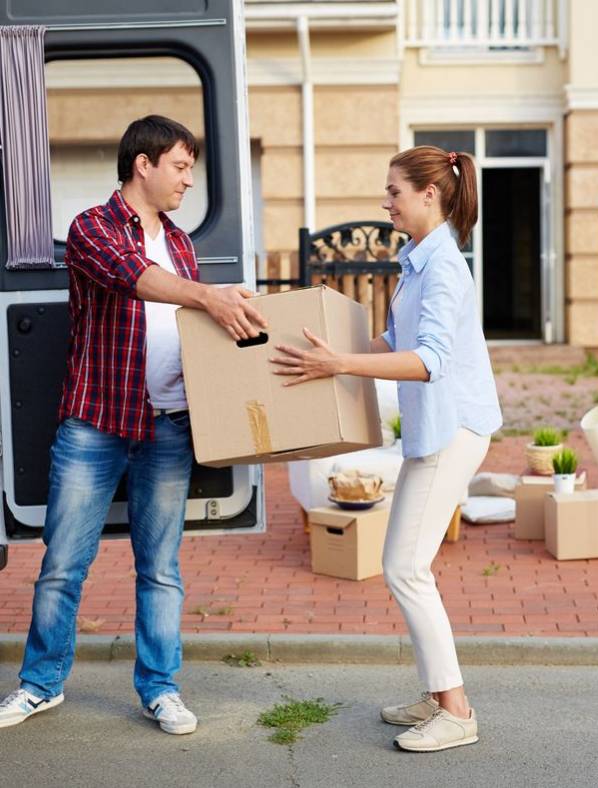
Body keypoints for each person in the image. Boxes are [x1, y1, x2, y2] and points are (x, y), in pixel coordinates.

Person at [0, 115, 266, 735]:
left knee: (162, 568)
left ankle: (160, 689)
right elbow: (133, 279)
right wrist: (210, 296)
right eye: (179, 166)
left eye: (191, 169)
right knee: (64, 562)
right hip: (96, 423)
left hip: (168, 425)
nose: (188, 181)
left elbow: (191, 320)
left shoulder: (179, 241)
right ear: (142, 164)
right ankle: (40, 685)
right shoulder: (91, 226)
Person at [269, 145, 501, 752]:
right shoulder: (419, 261)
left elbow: (428, 361)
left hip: (456, 431)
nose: (385, 201)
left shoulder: (444, 266)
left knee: (403, 566)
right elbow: (391, 342)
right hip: (437, 430)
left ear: (430, 194)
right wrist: (327, 346)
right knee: (406, 565)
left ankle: (456, 711)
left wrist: (339, 362)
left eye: (394, 191)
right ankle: (437, 695)